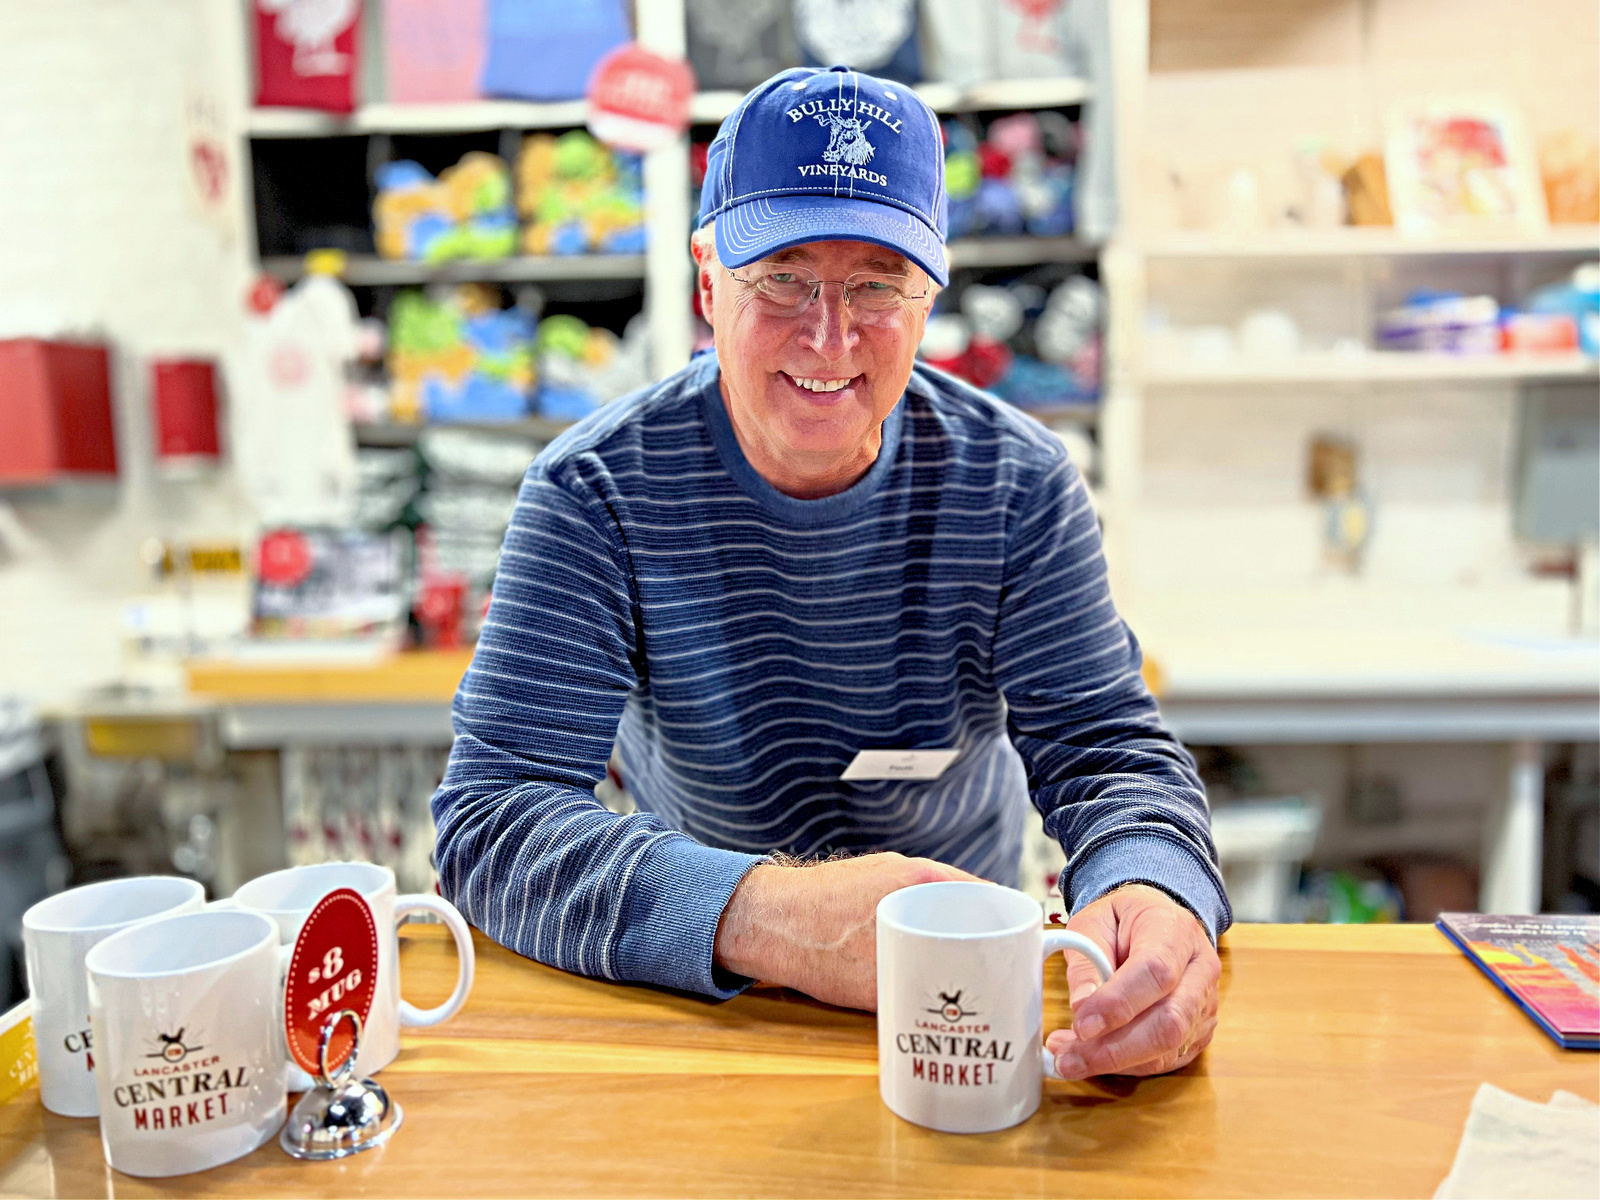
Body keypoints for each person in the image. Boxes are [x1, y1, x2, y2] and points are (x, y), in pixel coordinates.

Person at [432, 66, 1228, 1081]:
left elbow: (1107, 752)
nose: (829, 337)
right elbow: (493, 821)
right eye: (785, 278)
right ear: (707, 280)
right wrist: (772, 918)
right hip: (703, 1010)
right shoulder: (596, 494)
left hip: (967, 1005)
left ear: (929, 297)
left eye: (875, 287)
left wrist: (1155, 887)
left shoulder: (1016, 486)